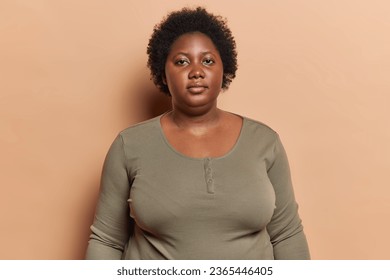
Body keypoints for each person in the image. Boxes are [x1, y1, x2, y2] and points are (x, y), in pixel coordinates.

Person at [86, 7, 310, 260]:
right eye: (182, 61)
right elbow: (106, 241)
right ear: (163, 72)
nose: (196, 71)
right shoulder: (129, 145)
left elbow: (287, 235)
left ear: (223, 70)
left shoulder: (264, 142)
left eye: (208, 61)